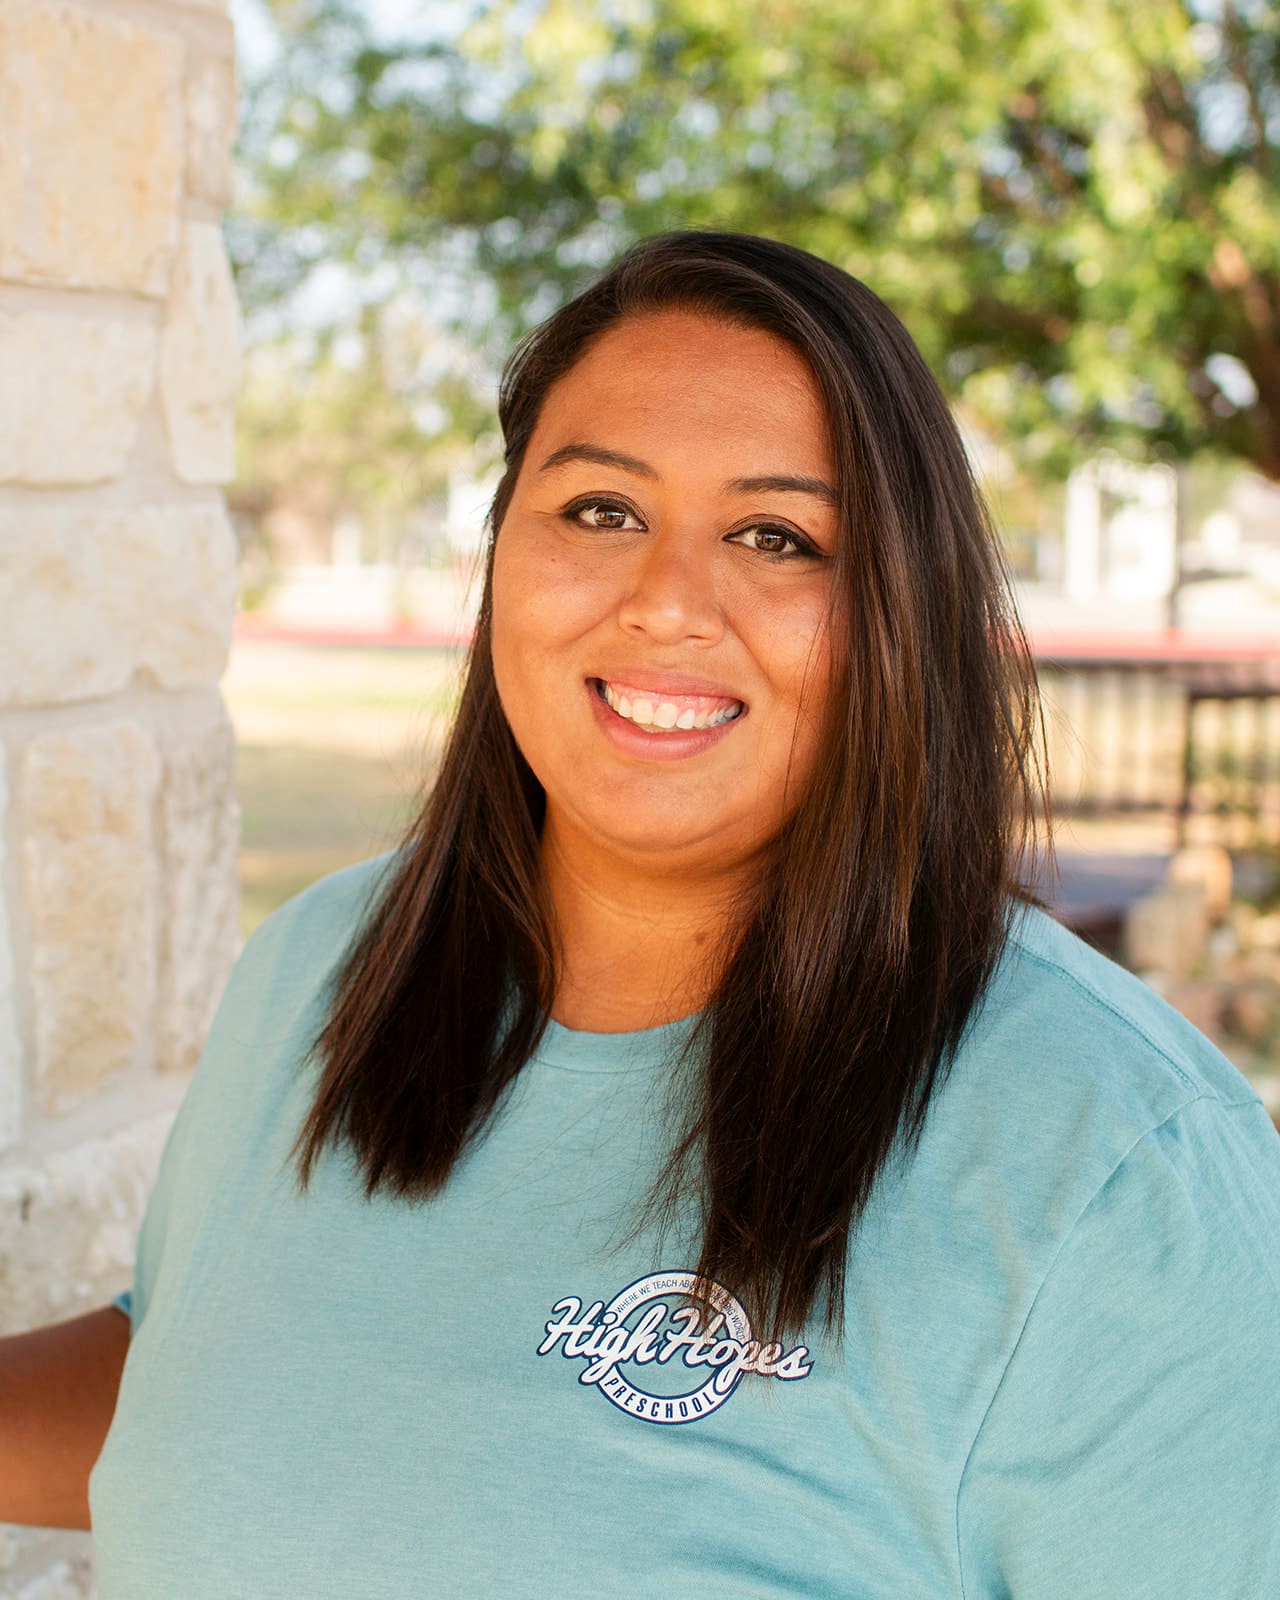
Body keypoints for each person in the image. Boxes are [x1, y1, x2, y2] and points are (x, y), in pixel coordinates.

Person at [5, 231, 1278, 1596]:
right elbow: (216, 1377)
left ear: (903, 611)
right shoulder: (326, 971)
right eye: (600, 510)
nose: (666, 599)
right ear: (502, 547)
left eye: (777, 536)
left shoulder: (1121, 1168)